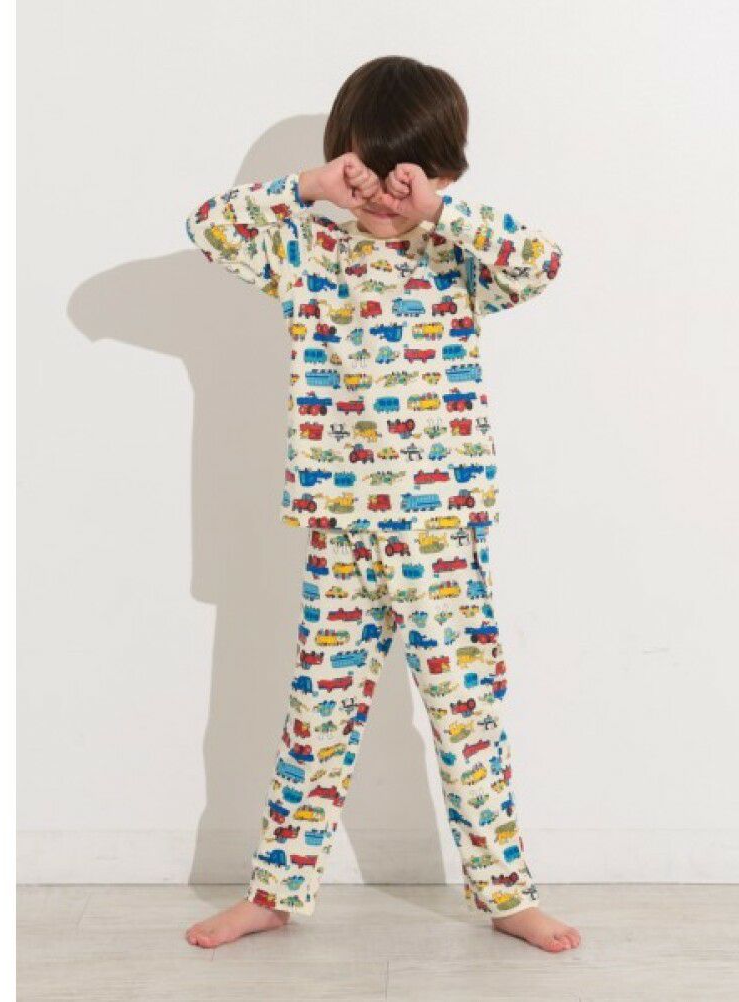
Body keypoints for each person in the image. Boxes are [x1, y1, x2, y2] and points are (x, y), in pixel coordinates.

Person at [182, 55, 580, 954]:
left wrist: (442, 211)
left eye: (412, 177)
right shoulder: (307, 250)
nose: (388, 196)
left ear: (442, 174)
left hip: (441, 532)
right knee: (315, 721)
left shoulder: (458, 258)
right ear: (345, 161)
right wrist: (310, 187)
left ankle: (506, 892)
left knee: (467, 718)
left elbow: (541, 263)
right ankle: (276, 889)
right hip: (341, 531)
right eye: (371, 172)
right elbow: (209, 229)